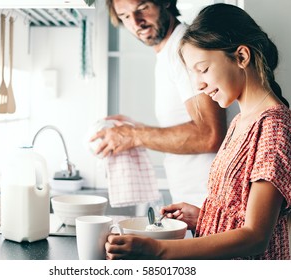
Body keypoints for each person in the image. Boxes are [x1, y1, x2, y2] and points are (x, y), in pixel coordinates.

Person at [105, 3, 291, 260]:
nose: (199, 84)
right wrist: (202, 217)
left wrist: (157, 249)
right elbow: (240, 218)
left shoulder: (275, 127)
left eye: (203, 69)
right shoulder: (241, 123)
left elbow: (256, 236)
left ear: (241, 57)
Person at [91, 0, 227, 207]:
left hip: (210, 202)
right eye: (125, 16)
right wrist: (139, 130)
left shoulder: (184, 48)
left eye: (142, 8)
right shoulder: (169, 52)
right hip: (196, 204)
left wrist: (134, 136)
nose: (136, 23)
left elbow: (209, 135)